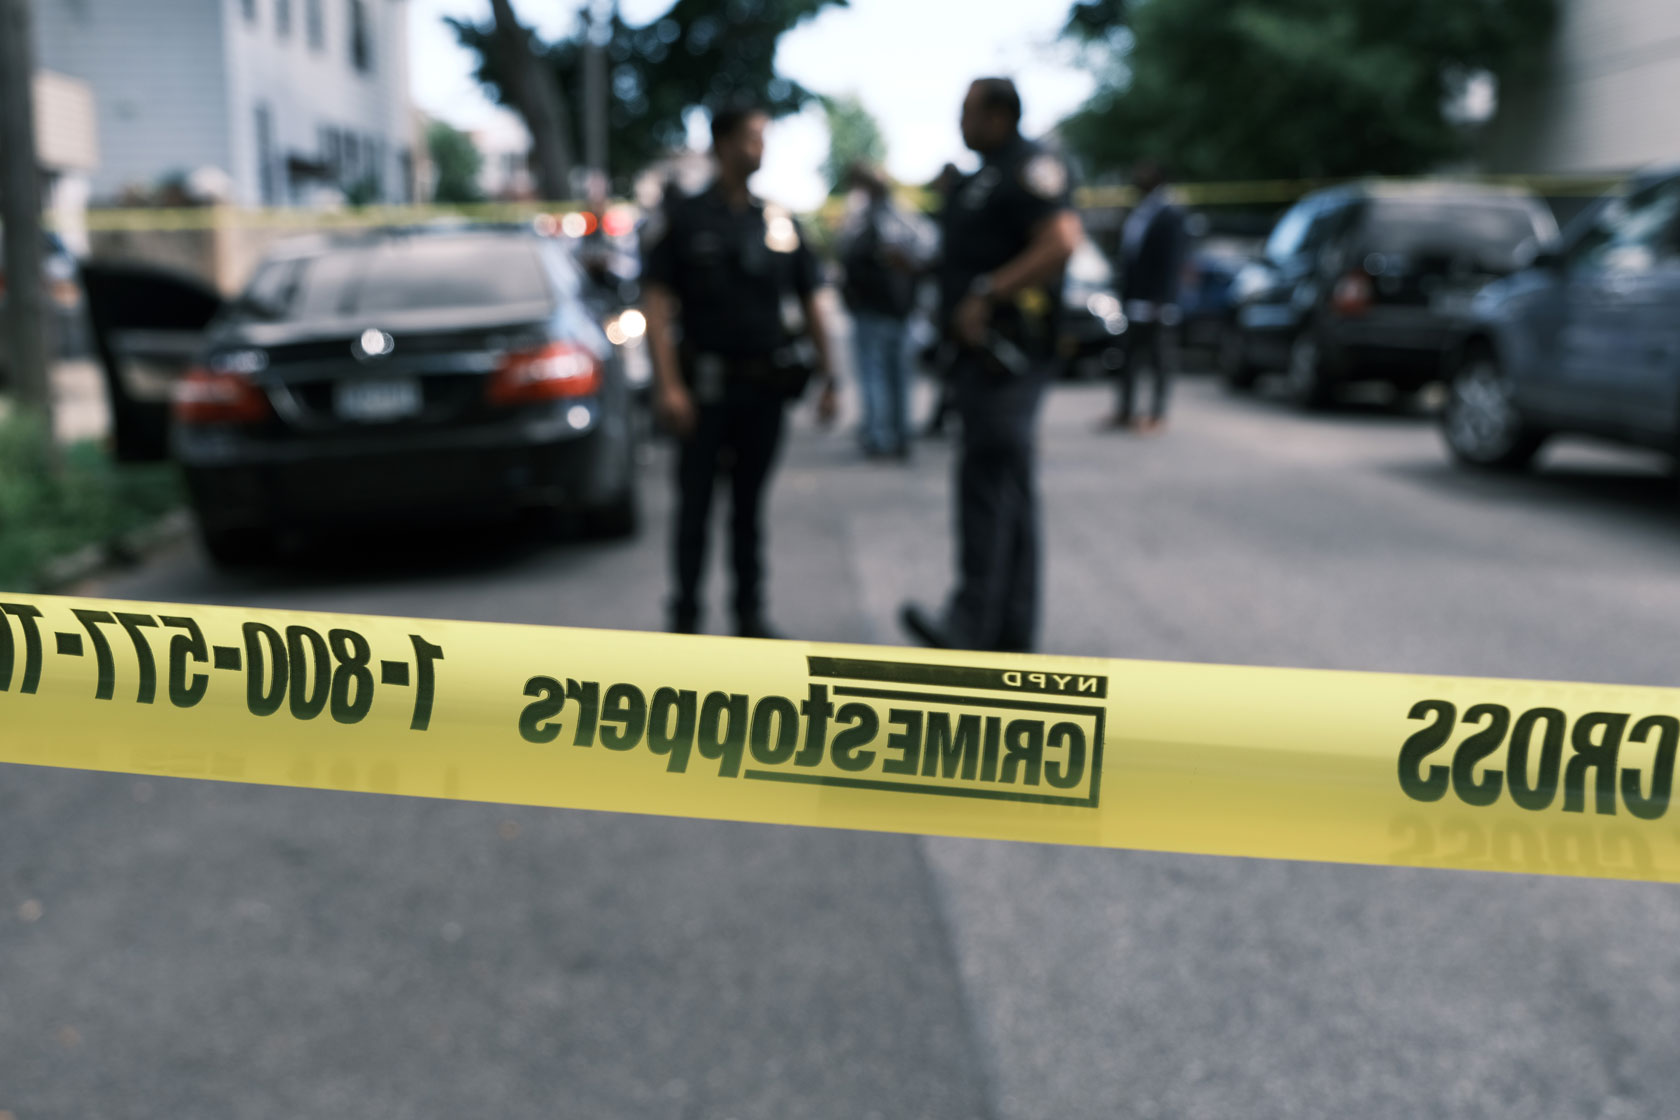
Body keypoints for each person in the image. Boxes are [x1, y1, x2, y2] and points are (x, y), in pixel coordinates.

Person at [640, 103, 838, 638]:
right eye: (752, 137)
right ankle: (684, 618)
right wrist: (669, 386)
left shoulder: (777, 220)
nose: (761, 148)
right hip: (702, 389)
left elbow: (812, 298)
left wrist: (830, 376)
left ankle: (749, 617)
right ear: (723, 143)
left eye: (763, 137)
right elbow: (656, 308)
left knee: (749, 509)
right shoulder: (684, 218)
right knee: (695, 508)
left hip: (763, 389)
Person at [899, 78, 1083, 654]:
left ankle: (970, 624)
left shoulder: (1030, 166)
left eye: (968, 112)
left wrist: (987, 293)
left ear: (999, 114)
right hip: (980, 357)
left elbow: (1060, 241)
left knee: (985, 477)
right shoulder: (983, 175)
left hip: (1010, 355)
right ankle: (1009, 630)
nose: (960, 122)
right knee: (1010, 488)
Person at [837, 163, 931, 460]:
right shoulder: (907, 219)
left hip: (874, 310)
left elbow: (844, 255)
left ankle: (880, 438)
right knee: (899, 377)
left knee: (875, 375)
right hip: (899, 310)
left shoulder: (861, 220)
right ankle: (898, 435)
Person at [1103, 160, 1187, 433]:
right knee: (1129, 356)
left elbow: (1172, 260)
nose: (1137, 177)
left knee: (1159, 358)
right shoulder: (1142, 209)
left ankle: (1157, 415)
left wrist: (1160, 300)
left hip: (1155, 303)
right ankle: (1126, 411)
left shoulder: (1169, 212)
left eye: (1144, 172)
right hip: (1135, 298)